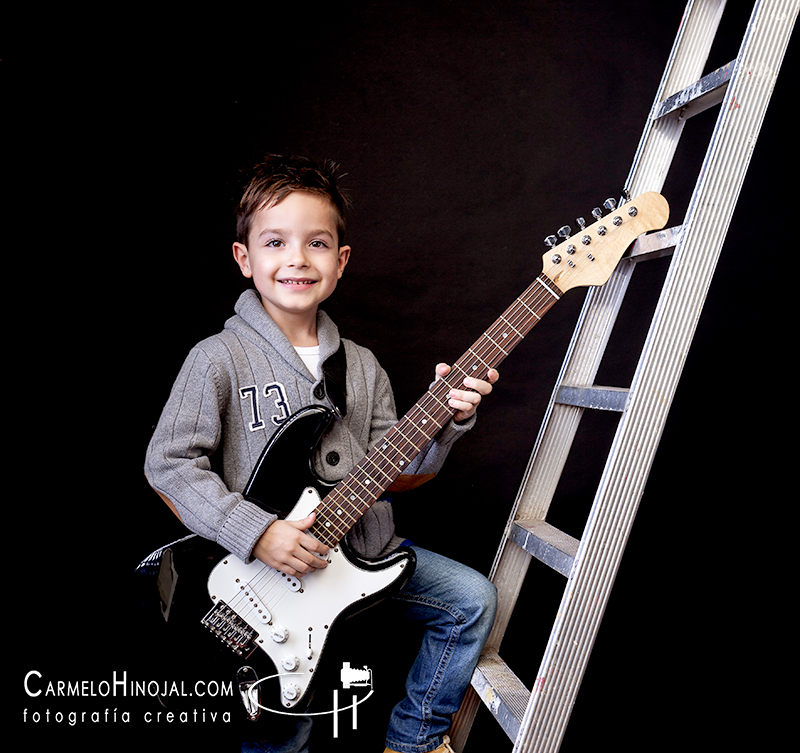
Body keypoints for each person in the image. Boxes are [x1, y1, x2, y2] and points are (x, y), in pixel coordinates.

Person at [144, 154, 498, 753]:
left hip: (363, 558)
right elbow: (170, 467)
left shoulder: (361, 365)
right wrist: (258, 533)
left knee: (470, 602)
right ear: (244, 258)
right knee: (289, 720)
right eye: (275, 241)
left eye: (317, 242)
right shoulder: (217, 360)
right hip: (261, 579)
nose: (296, 259)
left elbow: (398, 471)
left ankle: (412, 742)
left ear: (341, 261)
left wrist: (446, 421)